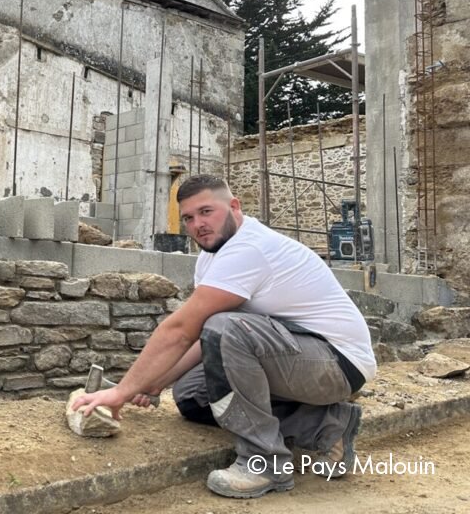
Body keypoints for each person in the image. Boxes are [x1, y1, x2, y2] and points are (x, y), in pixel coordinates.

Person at [73, 174, 376, 499]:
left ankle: (265, 463)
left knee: (225, 327)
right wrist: (156, 382)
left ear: (234, 206)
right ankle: (324, 426)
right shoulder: (212, 256)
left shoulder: (249, 249)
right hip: (293, 355)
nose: (197, 224)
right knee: (193, 396)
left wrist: (121, 392)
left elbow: (183, 330)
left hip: (338, 363)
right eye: (188, 218)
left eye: (206, 212)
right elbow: (209, 339)